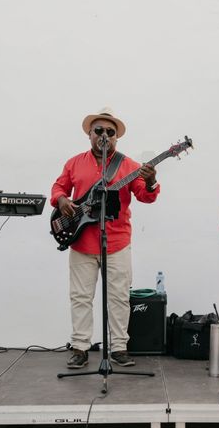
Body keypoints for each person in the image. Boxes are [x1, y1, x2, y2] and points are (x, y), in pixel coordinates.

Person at [51, 108, 160, 369]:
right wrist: (63, 200)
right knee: (80, 296)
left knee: (119, 297)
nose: (104, 135)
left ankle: (119, 347)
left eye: (110, 132)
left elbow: (147, 197)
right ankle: (80, 347)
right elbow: (58, 188)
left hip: (117, 241)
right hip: (81, 241)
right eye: (98, 130)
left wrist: (152, 180)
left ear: (116, 138)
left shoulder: (129, 165)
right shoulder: (74, 162)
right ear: (89, 134)